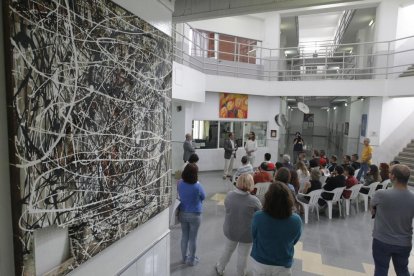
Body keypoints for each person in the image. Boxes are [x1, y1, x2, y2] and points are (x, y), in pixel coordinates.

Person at [370, 164, 414, 276]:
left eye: (390, 173)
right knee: (402, 270)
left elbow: (373, 210)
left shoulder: (381, 194)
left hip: (382, 240)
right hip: (404, 242)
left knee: (381, 269)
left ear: (393, 176)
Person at [250, 182, 302, 276]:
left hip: (260, 262)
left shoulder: (258, 217)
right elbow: (294, 240)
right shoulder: (296, 220)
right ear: (288, 199)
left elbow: (254, 236)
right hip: (283, 264)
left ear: (268, 198)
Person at [215, 174, 262, 276]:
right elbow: (260, 215)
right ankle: (240, 273)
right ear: (251, 184)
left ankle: (220, 268)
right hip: (246, 233)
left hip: (230, 230)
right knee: (243, 256)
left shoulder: (229, 195)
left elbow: (227, 209)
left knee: (227, 250)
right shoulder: (254, 200)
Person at [178, 163, 206, 266]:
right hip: (195, 215)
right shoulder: (197, 186)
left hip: (182, 214)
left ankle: (183, 258)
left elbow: (179, 194)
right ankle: (191, 260)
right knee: (193, 238)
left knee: (184, 236)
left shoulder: (179, 183)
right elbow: (203, 197)